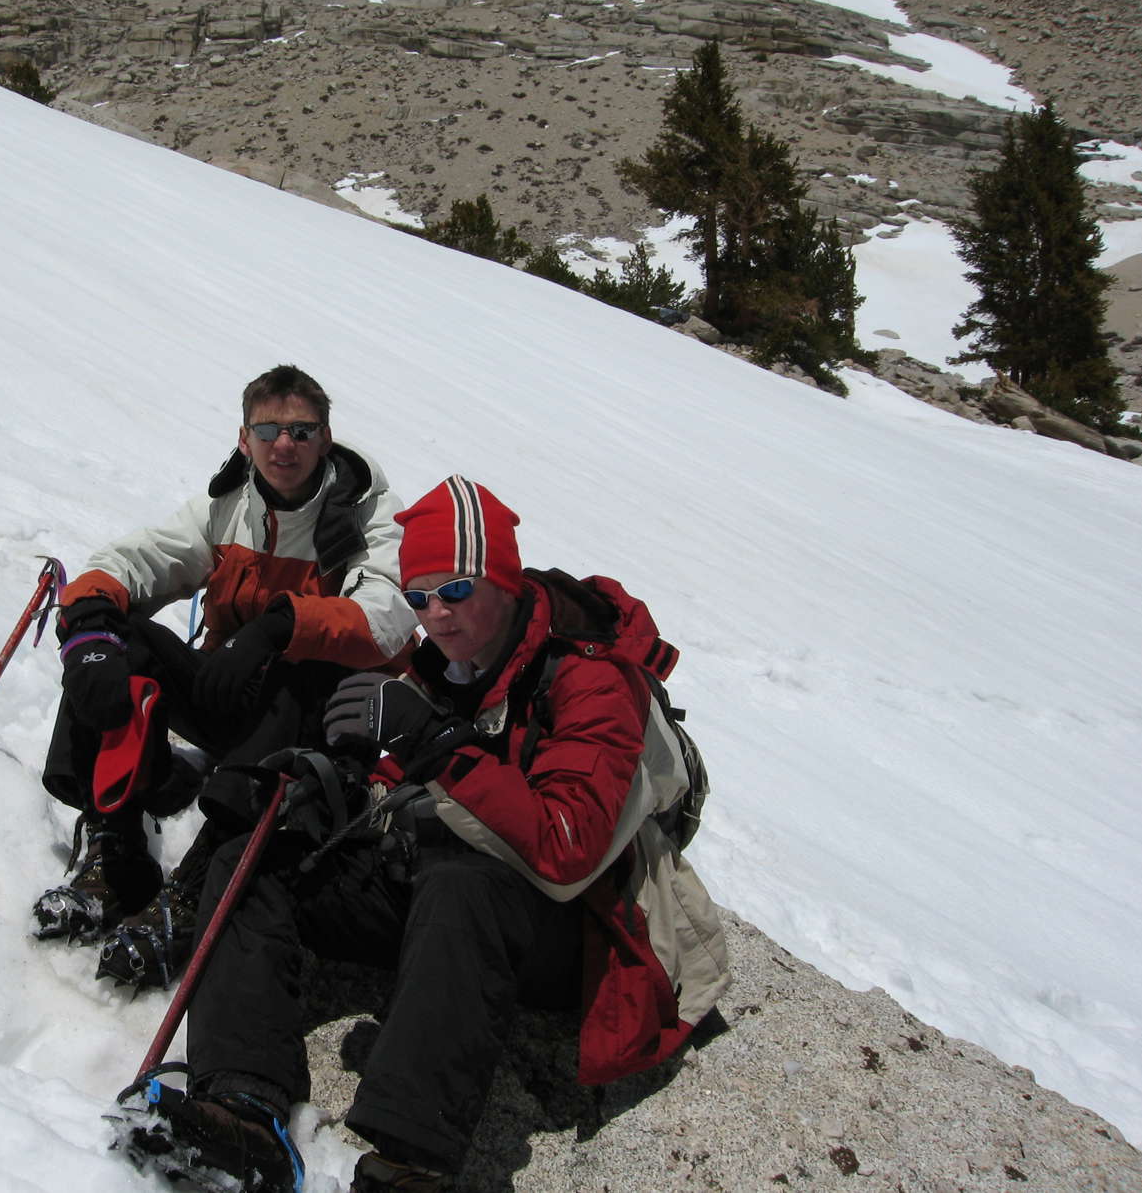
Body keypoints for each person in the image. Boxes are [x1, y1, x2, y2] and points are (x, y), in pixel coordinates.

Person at [126, 475, 730, 1193]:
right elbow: (400, 782)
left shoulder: (591, 680)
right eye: (418, 598)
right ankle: (245, 1107)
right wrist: (328, 783)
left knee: (462, 881)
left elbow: (569, 849)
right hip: (445, 901)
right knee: (256, 860)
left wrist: (435, 743)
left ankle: (412, 1163)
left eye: (455, 590)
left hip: (582, 924)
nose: (435, 614)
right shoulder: (443, 667)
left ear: (503, 581)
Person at [33, 364, 418, 988]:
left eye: (301, 430)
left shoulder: (369, 515)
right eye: (267, 430)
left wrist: (280, 627)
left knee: (301, 675)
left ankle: (196, 885)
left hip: (328, 725)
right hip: (235, 696)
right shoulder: (229, 504)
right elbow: (144, 558)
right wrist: (89, 622)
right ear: (244, 439)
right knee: (118, 642)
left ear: (325, 438)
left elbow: (386, 617)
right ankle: (117, 852)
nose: (283, 444)